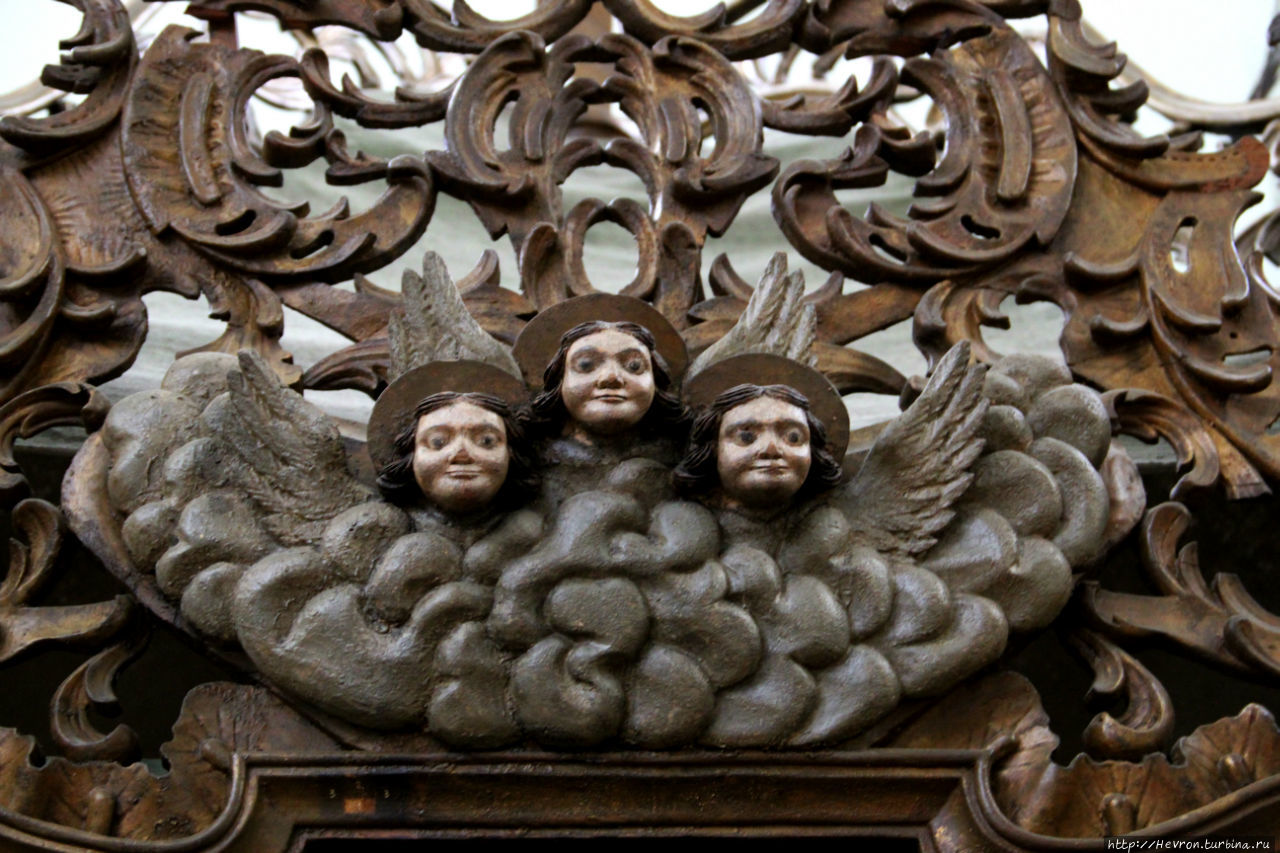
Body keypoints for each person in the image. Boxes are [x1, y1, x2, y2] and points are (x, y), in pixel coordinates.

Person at [674, 383, 843, 515]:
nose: (771, 449)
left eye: (793, 437)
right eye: (746, 437)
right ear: (713, 450)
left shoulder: (825, 524)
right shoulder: (686, 520)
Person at [376, 390, 538, 517]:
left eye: (487, 441)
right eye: (438, 442)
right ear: (410, 455)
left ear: (512, 454)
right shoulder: (385, 522)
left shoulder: (534, 525)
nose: (462, 454)